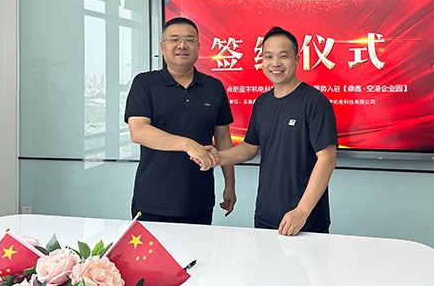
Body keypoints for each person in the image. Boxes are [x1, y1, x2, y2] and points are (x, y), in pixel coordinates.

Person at [209, 26, 337, 236]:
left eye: (283, 56)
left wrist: (302, 211)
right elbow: (249, 148)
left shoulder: (314, 102)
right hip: (265, 215)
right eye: (268, 56)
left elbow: (327, 158)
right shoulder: (262, 103)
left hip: (305, 220)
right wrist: (216, 157)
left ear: (296, 59)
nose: (275, 63)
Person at [124, 17, 236, 224]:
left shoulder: (214, 87)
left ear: (198, 47)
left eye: (189, 40)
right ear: (163, 47)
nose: (182, 45)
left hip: (198, 197)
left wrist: (230, 185)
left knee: (197, 246)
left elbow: (223, 139)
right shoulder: (145, 83)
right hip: (152, 199)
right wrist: (187, 144)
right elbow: (138, 131)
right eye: (174, 39)